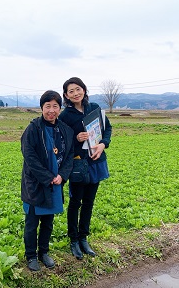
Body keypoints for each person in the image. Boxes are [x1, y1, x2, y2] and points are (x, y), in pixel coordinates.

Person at [59, 77, 112, 260]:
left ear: (84, 89)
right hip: (78, 164)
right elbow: (62, 142)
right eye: (71, 91)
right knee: (76, 203)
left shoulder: (94, 108)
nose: (75, 93)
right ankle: (73, 240)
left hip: (95, 160)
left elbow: (107, 129)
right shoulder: (65, 116)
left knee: (89, 202)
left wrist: (103, 145)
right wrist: (76, 139)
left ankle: (83, 238)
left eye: (78, 89)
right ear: (66, 95)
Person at [21, 90, 74, 271]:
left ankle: (44, 252)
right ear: (42, 108)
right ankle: (30, 256)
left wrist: (62, 176)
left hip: (55, 184)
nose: (51, 110)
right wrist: (47, 177)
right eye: (47, 106)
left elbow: (69, 157)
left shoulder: (65, 130)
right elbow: (30, 157)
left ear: (60, 108)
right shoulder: (33, 129)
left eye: (55, 106)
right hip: (36, 184)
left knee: (48, 221)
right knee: (32, 222)